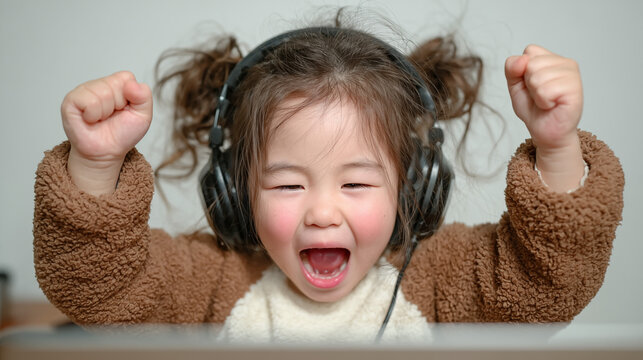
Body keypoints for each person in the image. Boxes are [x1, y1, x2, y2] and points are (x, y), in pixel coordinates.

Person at [33, 18, 623, 344]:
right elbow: (96, 287)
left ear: (411, 187)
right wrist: (95, 163)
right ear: (237, 192)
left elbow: (545, 284)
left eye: (357, 185)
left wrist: (557, 145)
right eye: (288, 185)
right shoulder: (212, 281)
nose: (321, 213)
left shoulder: (437, 278)